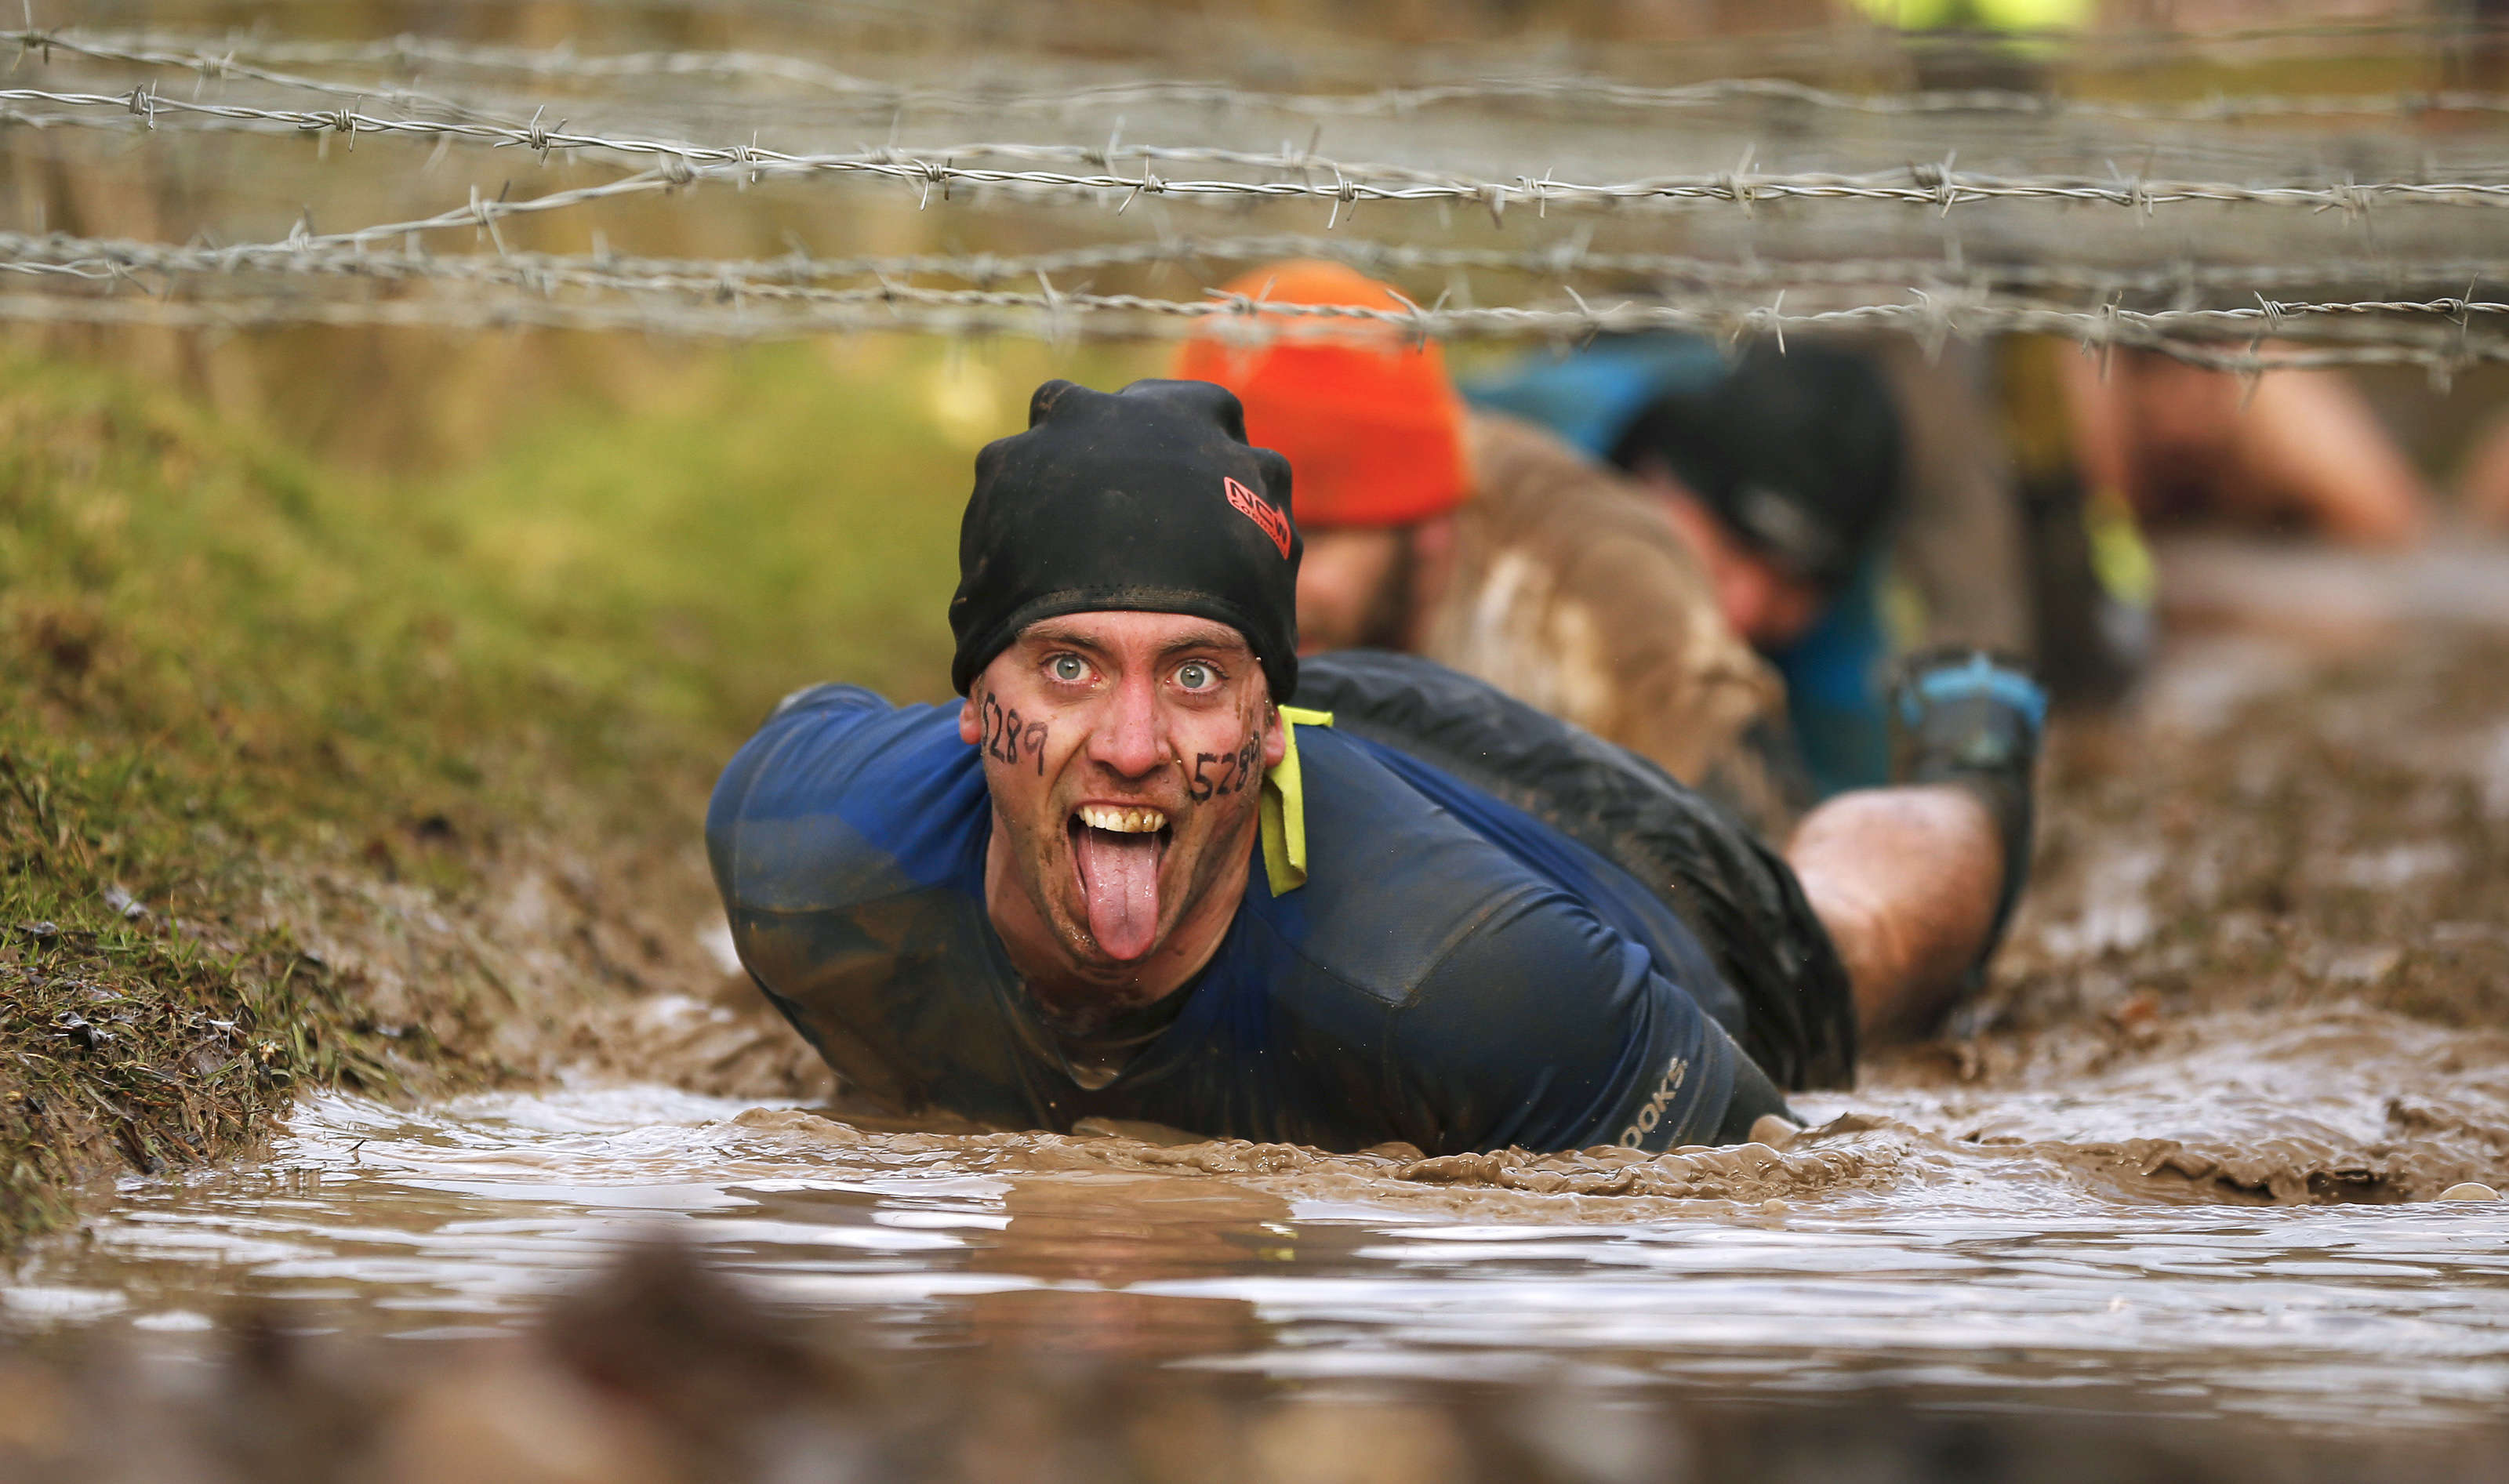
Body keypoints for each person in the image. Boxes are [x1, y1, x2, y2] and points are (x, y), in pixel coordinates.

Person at [706, 377, 2045, 1156]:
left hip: (1593, 866)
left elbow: (1783, 1196)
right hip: (1324, 746)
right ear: (967, 702)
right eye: (1065, 666)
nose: (1126, 743)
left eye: (1191, 673)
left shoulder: (1474, 989)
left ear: (1263, 719)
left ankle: (1977, 755)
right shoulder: (803, 846)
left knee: (1845, 941)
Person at [1173, 263, 1789, 823]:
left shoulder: (1597, 589)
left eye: (1317, 537)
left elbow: (1737, 851)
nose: (1267, 580)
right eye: (1238, 531)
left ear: (1430, 530)